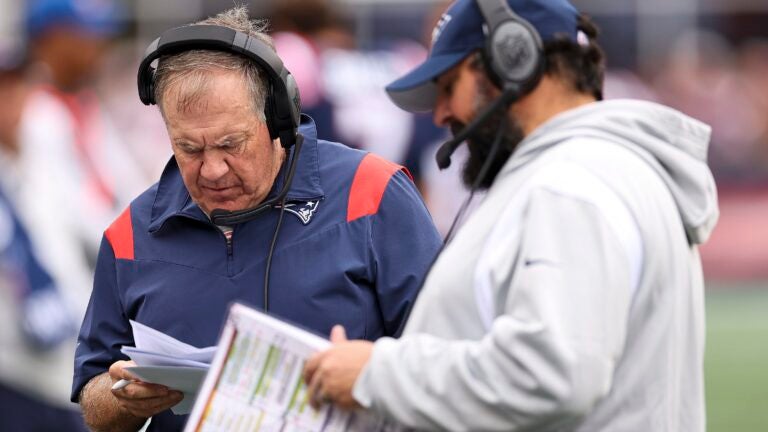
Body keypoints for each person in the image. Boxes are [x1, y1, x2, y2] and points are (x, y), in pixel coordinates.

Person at [303, 0, 719, 431]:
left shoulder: (570, 185)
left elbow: (553, 375)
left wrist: (376, 375)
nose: (442, 113)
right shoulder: (598, 172)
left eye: (449, 85)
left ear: (512, 58)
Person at [72, 6, 441, 432]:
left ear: (277, 117)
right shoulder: (130, 235)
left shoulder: (374, 193)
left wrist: (369, 376)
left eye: (231, 144)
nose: (212, 169)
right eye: (189, 148)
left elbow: (446, 356)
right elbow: (93, 398)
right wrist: (124, 399)